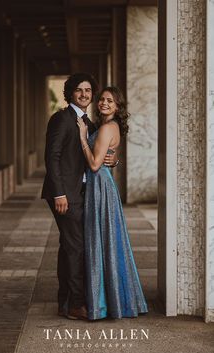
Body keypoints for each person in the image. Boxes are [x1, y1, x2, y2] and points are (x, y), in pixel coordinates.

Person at [41, 73, 118, 320]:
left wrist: (114, 159)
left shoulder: (89, 123)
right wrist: (59, 193)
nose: (84, 94)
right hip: (66, 194)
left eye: (87, 90)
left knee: (69, 246)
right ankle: (75, 304)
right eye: (78, 90)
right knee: (76, 247)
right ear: (70, 93)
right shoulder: (61, 119)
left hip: (83, 193)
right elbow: (51, 157)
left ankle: (65, 301)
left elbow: (98, 151)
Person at [77, 86, 148, 320]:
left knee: (99, 240)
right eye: (102, 99)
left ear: (117, 107)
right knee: (108, 240)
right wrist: (115, 160)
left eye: (110, 101)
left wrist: (82, 139)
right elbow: (109, 157)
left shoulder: (107, 127)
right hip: (105, 186)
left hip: (99, 186)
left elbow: (95, 165)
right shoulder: (111, 127)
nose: (104, 103)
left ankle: (102, 304)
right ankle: (112, 300)